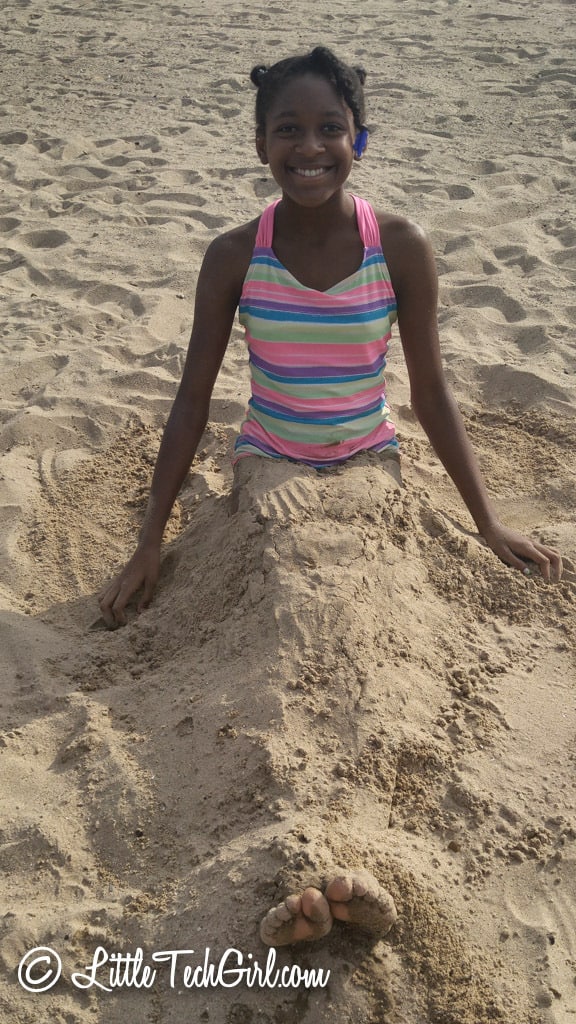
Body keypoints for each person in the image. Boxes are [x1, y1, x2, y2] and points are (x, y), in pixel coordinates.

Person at [98, 47, 562, 945]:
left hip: (368, 467)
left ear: (359, 139)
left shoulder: (401, 247)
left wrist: (488, 522)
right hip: (268, 465)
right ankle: (295, 850)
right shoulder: (235, 255)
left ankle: (359, 856)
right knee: (283, 619)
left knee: (362, 614)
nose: (309, 148)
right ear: (259, 144)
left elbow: (431, 392)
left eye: (329, 130)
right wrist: (150, 539)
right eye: (288, 131)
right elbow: (193, 398)